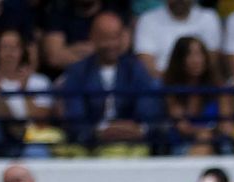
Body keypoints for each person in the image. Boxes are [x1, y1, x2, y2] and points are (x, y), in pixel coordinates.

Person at [58, 13, 162, 151]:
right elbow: (75, 115)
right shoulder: (78, 72)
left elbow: (148, 110)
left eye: (116, 37)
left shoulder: (136, 69)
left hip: (131, 143)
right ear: (93, 37)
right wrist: (99, 131)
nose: (112, 44)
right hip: (90, 146)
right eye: (106, 38)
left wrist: (137, 129)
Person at [0, 29, 54, 160]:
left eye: (14, 48)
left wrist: (25, 91)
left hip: (29, 141)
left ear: (22, 51)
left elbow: (41, 119)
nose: (9, 53)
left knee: (37, 152)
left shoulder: (39, 82)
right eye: (4, 47)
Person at [161, 36, 230, 156]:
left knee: (207, 141)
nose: (196, 60)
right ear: (180, 60)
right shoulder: (172, 90)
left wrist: (209, 133)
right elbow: (182, 127)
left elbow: (227, 127)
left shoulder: (219, 88)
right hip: (184, 145)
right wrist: (203, 132)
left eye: (199, 54)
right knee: (203, 141)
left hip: (217, 144)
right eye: (190, 55)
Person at [134, 0, 222, 77]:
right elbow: (147, 65)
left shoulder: (209, 17)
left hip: (199, 83)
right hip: (161, 84)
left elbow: (212, 61)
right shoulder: (147, 19)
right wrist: (174, 82)